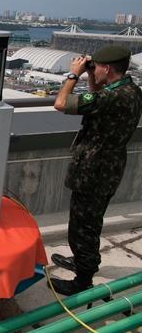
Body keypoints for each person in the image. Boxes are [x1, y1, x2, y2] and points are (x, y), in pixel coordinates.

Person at [50, 45, 142, 295]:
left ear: (107, 68)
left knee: (83, 226)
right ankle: (84, 263)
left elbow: (61, 103)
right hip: (108, 167)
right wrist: (91, 76)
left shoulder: (113, 96)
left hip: (93, 171)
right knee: (90, 222)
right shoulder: (130, 91)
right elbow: (96, 100)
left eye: (96, 67)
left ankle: (82, 280)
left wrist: (73, 75)